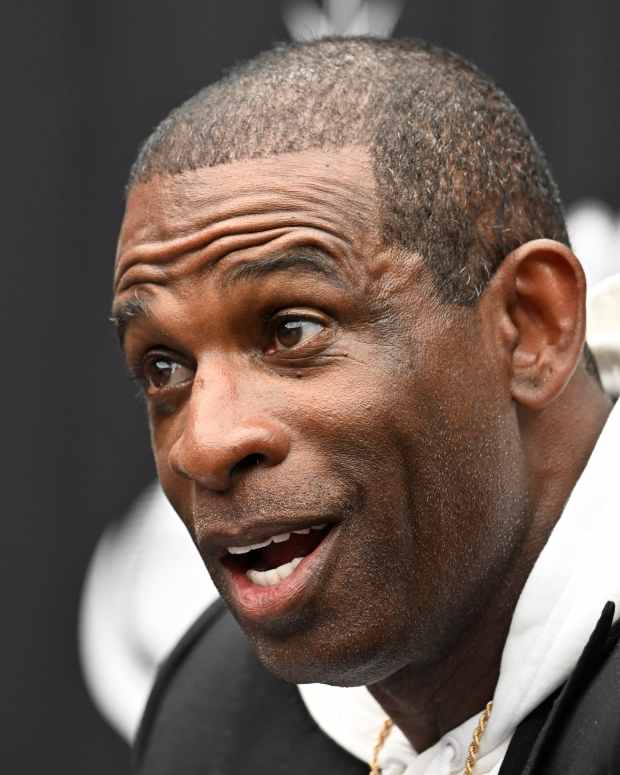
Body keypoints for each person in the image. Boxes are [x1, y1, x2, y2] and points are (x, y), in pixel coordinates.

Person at [110, 37, 619, 774]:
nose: (204, 443)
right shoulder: (210, 714)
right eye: (164, 367)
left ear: (531, 327)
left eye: (292, 330)